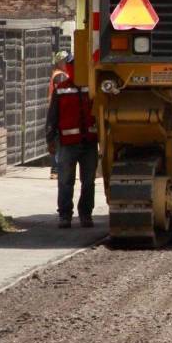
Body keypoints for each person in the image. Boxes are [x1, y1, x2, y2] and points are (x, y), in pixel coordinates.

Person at [46, 54, 98, 228]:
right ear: (68, 67)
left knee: (88, 181)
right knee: (66, 180)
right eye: (72, 65)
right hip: (68, 143)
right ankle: (65, 215)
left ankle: (85, 214)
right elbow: (52, 116)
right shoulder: (61, 89)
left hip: (89, 142)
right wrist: (50, 139)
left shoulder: (92, 88)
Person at [46, 51, 73, 180]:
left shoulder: (58, 74)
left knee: (57, 141)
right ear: (61, 62)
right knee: (58, 142)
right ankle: (55, 169)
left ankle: (56, 169)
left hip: (56, 110)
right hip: (58, 111)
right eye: (67, 62)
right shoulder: (60, 76)